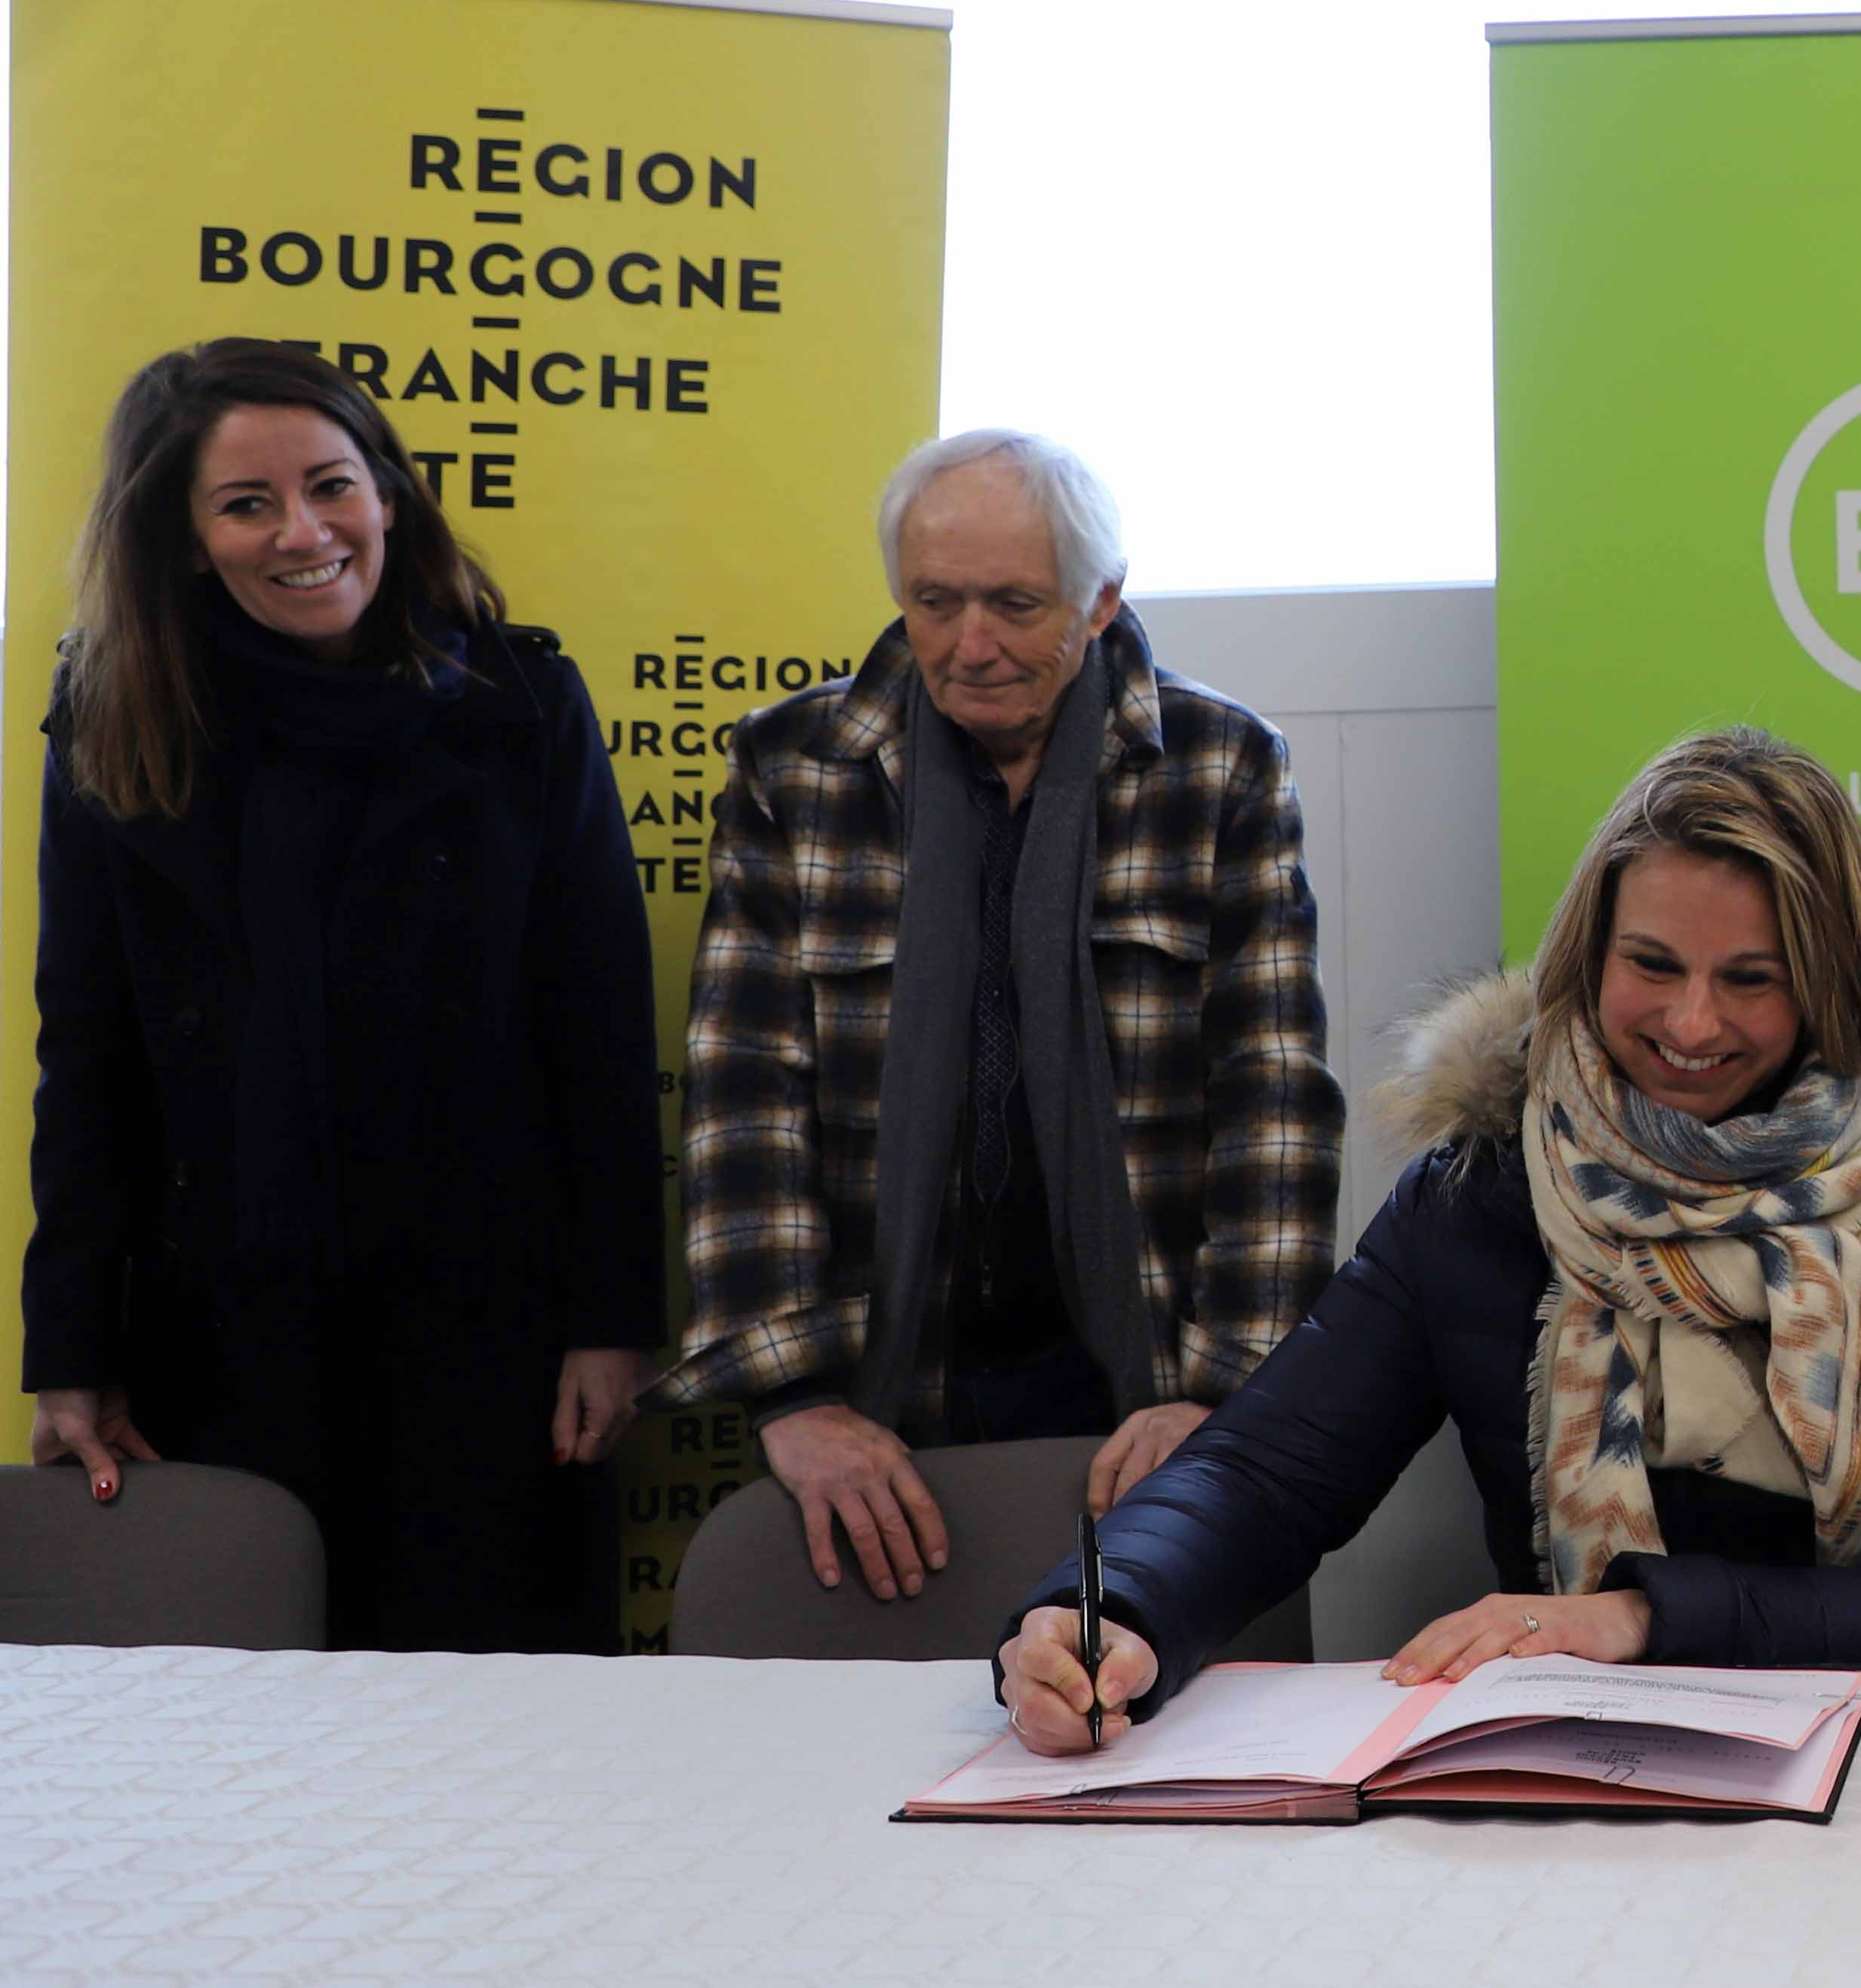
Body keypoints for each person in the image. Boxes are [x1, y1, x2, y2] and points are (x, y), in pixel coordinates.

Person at [993, 731, 1861, 1746]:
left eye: (1750, 978)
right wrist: (1110, 1611)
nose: (1690, 1026)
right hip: (1565, 1765)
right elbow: (1265, 1474)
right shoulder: (1478, 1187)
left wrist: (1636, 1621)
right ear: (1586, 954)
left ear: (1831, 983)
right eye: (1650, 964)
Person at [24, 339, 658, 1650]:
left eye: (332, 486)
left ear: (389, 495)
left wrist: (612, 1323)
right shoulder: (113, 713)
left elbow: (599, 1034)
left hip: (492, 1338)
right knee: (234, 1762)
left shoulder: (519, 701)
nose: (303, 534)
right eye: (247, 504)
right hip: (217, 1337)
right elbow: (87, 1051)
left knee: (507, 1745)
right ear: (187, 537)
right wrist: (70, 1346)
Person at [659, 428, 1344, 1603]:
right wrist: (794, 1395)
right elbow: (744, 1086)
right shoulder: (795, 765)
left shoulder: (1219, 765)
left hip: (1139, 1374)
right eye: (935, 602)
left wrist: (1222, 1392)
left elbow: (1270, 1093)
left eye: (1015, 606)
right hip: (875, 1376)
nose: (969, 647)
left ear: (1100, 599)